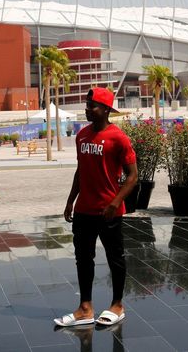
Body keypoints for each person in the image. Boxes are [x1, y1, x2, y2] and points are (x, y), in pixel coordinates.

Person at [54, 87, 138, 327]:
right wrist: (71, 200)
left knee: (115, 258)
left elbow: (132, 176)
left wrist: (115, 201)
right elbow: (81, 172)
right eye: (87, 104)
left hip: (109, 211)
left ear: (106, 110)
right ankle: (85, 308)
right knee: (83, 258)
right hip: (84, 210)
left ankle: (117, 305)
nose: (87, 109)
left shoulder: (118, 138)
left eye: (92, 106)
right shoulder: (82, 135)